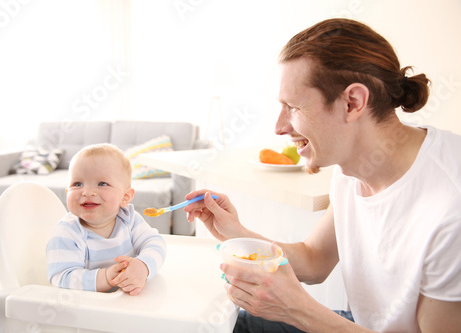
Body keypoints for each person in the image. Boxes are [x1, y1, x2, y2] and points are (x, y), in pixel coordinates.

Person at [184, 18, 461, 332]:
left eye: (293, 107)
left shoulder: (451, 209)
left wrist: (299, 310)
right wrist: (237, 232)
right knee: (222, 324)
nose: (279, 127)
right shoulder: (351, 165)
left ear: (352, 102)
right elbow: (315, 259)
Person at [46, 143, 166, 295]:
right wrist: (106, 278)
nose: (87, 192)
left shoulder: (129, 219)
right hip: (89, 309)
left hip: (127, 302)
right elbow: (60, 277)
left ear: (125, 197)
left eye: (102, 184)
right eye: (77, 184)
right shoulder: (67, 232)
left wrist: (144, 266)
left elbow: (155, 242)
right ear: (67, 191)